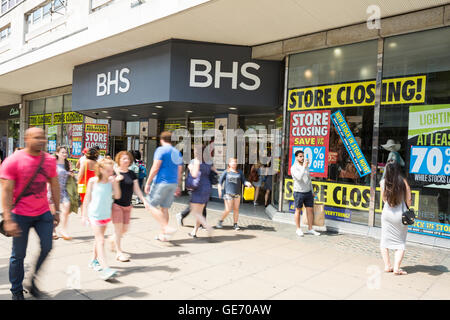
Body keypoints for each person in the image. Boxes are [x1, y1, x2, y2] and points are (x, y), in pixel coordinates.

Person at [0, 128, 60, 300]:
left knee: (47, 246)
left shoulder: (49, 160)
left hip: (42, 213)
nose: (42, 140)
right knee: (18, 255)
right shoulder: (13, 161)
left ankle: (32, 281)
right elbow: (6, 191)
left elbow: (54, 185)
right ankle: (16, 290)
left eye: (43, 137)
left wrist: (57, 210)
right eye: (37, 137)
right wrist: (8, 219)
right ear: (26, 139)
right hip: (20, 214)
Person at [82, 159, 121, 280]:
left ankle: (94, 260)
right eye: (108, 170)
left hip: (105, 215)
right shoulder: (93, 181)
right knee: (101, 240)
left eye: (112, 170)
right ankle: (105, 268)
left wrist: (115, 184)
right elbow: (87, 198)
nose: (111, 172)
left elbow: (118, 196)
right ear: (100, 169)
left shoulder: (111, 181)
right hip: (94, 215)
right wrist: (84, 215)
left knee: (98, 239)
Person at [110, 151, 149, 262]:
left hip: (127, 206)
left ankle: (113, 239)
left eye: (127, 159)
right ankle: (119, 252)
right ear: (119, 160)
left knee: (124, 229)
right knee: (118, 230)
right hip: (116, 204)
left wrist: (144, 200)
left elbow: (136, 189)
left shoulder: (131, 173)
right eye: (123, 159)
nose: (126, 161)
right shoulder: (115, 172)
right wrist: (116, 178)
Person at [144, 131, 183, 241]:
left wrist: (148, 182)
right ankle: (164, 235)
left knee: (150, 205)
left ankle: (166, 228)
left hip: (161, 182)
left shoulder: (161, 150)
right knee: (164, 208)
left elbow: (155, 167)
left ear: (161, 140)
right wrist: (178, 185)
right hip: (173, 183)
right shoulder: (177, 152)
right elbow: (180, 170)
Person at [380, 160, 411, 275]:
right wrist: (407, 207)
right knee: (400, 242)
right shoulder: (403, 182)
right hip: (400, 215)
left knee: (384, 241)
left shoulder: (383, 182)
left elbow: (383, 199)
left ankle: (388, 266)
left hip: (387, 213)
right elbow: (409, 200)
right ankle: (397, 268)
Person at [187, 146, 216, 238]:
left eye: (195, 151)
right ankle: (194, 232)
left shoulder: (196, 161)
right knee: (199, 212)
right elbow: (215, 172)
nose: (194, 152)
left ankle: (208, 227)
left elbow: (194, 174)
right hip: (207, 186)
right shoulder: (209, 162)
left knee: (195, 211)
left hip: (198, 187)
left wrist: (190, 167)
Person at [216, 158, 252, 231]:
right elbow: (220, 182)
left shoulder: (240, 172)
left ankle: (235, 224)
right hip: (228, 194)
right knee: (228, 209)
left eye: (235, 162)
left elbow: (243, 181)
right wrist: (219, 190)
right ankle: (220, 221)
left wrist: (247, 183)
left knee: (236, 209)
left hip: (237, 194)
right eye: (232, 162)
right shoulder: (226, 172)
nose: (234, 163)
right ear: (229, 164)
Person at [291, 150, 320, 237]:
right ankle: (298, 229)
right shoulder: (293, 167)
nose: (302, 158)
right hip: (299, 192)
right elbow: (299, 178)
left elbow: (309, 179)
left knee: (310, 210)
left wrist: (312, 191)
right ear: (296, 157)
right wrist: (304, 167)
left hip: (308, 192)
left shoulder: (306, 166)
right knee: (298, 210)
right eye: (300, 156)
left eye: (303, 156)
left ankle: (310, 228)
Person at [49, 146, 74, 240]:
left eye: (65, 153)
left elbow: (70, 174)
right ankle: (53, 230)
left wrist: (71, 172)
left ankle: (63, 230)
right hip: (52, 190)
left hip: (63, 190)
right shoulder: (53, 163)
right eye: (62, 152)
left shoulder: (68, 163)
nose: (64, 154)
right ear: (57, 153)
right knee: (54, 212)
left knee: (67, 207)